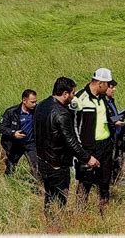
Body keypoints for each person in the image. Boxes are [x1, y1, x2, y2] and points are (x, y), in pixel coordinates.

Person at [34, 77, 100, 216]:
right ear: (65, 94)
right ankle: (56, 227)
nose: (74, 96)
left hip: (42, 160)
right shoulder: (62, 113)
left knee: (48, 197)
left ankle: (49, 222)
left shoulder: (41, 105)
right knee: (59, 199)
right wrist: (88, 158)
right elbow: (70, 142)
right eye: (72, 93)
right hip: (57, 163)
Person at [70, 67, 116, 215]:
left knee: (105, 181)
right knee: (85, 182)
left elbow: (103, 118)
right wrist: (81, 151)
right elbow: (73, 126)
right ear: (100, 83)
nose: (109, 87)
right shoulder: (79, 98)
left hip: (105, 145)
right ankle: (80, 213)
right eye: (108, 84)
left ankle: (104, 212)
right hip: (88, 148)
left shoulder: (102, 98)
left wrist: (113, 123)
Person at [0, 89, 39, 178]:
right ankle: (8, 184)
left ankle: (37, 188)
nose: (35, 104)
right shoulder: (11, 112)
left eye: (36, 101)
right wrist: (13, 133)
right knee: (11, 167)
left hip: (31, 144)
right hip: (15, 144)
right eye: (32, 102)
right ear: (24, 101)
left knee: (36, 167)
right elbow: (1, 127)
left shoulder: (37, 111)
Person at [105, 80, 125, 184]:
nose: (114, 89)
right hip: (109, 137)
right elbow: (105, 120)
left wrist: (121, 118)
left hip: (116, 137)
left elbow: (112, 117)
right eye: (112, 87)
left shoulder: (111, 101)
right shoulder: (103, 103)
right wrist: (114, 123)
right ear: (106, 87)